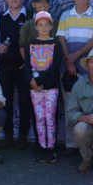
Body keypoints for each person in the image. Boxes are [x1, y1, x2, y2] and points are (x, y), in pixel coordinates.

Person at [56, 0, 93, 157]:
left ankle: (91, 144)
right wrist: (69, 63)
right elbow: (61, 40)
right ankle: (71, 143)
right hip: (68, 71)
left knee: (91, 107)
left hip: (89, 70)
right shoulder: (64, 15)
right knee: (71, 108)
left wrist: (74, 57)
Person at [24, 12, 63, 163]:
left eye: (47, 24)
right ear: (36, 26)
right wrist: (32, 82)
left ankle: (51, 148)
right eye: (40, 25)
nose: (44, 27)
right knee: (39, 117)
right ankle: (42, 147)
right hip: (35, 89)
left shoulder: (56, 44)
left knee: (49, 117)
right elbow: (27, 66)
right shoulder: (30, 45)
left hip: (51, 87)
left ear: (51, 26)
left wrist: (41, 82)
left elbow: (55, 68)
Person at [0, 0, 31, 151]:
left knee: (25, 103)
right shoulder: (0, 17)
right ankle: (8, 136)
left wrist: (30, 62)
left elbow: (38, 41)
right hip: (4, 67)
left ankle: (22, 137)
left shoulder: (31, 16)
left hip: (24, 68)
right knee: (5, 103)